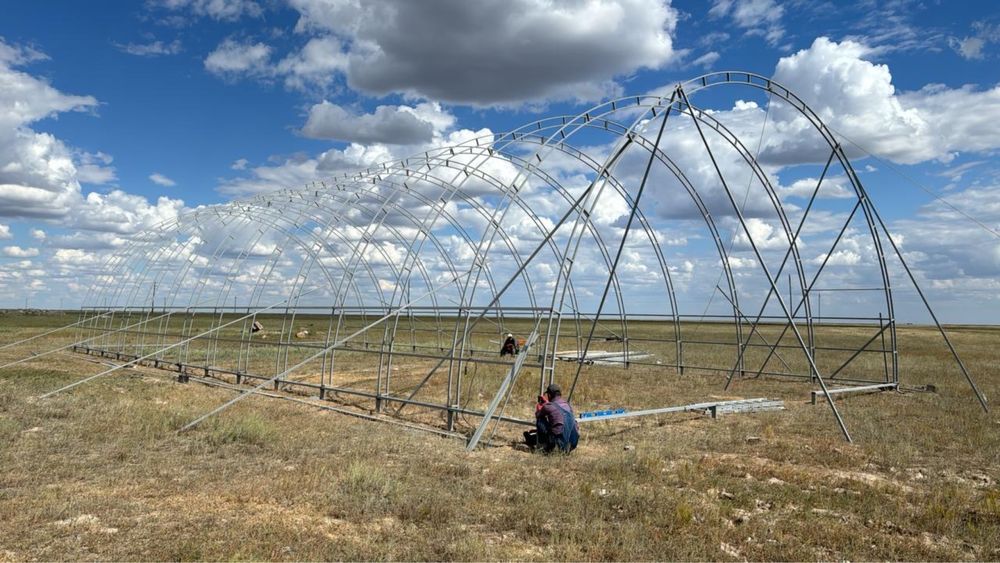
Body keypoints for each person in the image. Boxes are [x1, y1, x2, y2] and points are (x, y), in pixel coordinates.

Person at [524, 383, 579, 454]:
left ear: (549, 395)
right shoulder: (567, 405)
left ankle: (543, 446)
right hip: (572, 444)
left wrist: (540, 407)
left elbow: (538, 415)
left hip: (558, 444)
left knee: (540, 420)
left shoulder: (548, 406)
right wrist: (547, 404)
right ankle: (532, 439)